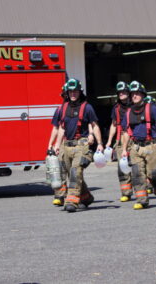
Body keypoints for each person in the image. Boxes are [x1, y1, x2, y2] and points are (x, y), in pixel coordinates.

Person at [54, 78, 104, 212]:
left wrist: (99, 143)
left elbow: (95, 125)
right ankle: (86, 197)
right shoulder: (63, 108)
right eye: (70, 92)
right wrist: (57, 145)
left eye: (75, 91)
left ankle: (71, 201)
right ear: (67, 93)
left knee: (76, 172)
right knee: (72, 174)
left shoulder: (87, 107)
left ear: (80, 92)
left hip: (81, 146)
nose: (73, 94)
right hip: (66, 146)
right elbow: (61, 128)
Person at [121, 81, 156, 210]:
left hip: (152, 146)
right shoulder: (128, 112)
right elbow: (125, 132)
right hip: (136, 147)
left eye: (137, 93)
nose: (134, 96)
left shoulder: (151, 108)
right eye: (132, 94)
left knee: (154, 175)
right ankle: (142, 200)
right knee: (137, 175)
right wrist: (124, 149)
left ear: (143, 94)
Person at [105, 81, 133, 202]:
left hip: (135, 137)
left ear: (128, 92)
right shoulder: (116, 108)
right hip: (121, 139)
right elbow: (113, 125)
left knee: (138, 166)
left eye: (124, 92)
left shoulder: (135, 105)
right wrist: (109, 141)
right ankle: (126, 192)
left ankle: (144, 189)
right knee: (123, 167)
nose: (121, 94)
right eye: (119, 92)